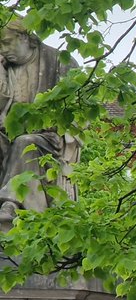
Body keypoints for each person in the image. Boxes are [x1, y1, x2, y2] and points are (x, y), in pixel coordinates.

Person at [0, 21, 77, 230]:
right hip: (7, 134)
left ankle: (10, 204)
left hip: (48, 139)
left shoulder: (60, 62)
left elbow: (77, 111)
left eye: (6, 43)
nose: (3, 51)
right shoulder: (6, 67)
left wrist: (52, 127)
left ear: (24, 37)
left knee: (26, 143)